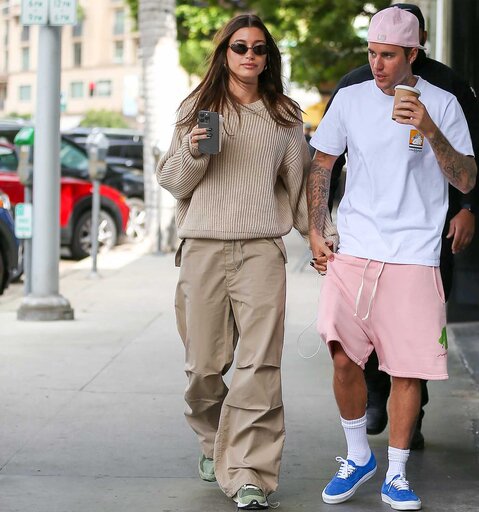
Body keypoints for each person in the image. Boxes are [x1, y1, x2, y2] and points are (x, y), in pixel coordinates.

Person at [156, 14, 335, 510]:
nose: (249, 56)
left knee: (260, 365)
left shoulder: (283, 113)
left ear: (268, 57)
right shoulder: (196, 107)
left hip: (260, 249)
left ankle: (251, 473)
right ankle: (214, 440)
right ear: (224, 53)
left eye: (259, 48)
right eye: (240, 47)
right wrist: (194, 152)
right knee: (204, 369)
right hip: (203, 248)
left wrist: (319, 236)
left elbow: (298, 189)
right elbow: (171, 182)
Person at [307, 7, 476, 510]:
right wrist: (318, 229)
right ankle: (358, 456)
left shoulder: (442, 104)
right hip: (355, 248)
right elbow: (322, 163)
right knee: (341, 354)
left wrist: (428, 129)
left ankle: (397, 474)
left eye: (387, 56)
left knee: (407, 370)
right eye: (372, 54)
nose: (377, 65)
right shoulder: (351, 98)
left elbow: (466, 177)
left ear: (411, 55)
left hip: (413, 254)